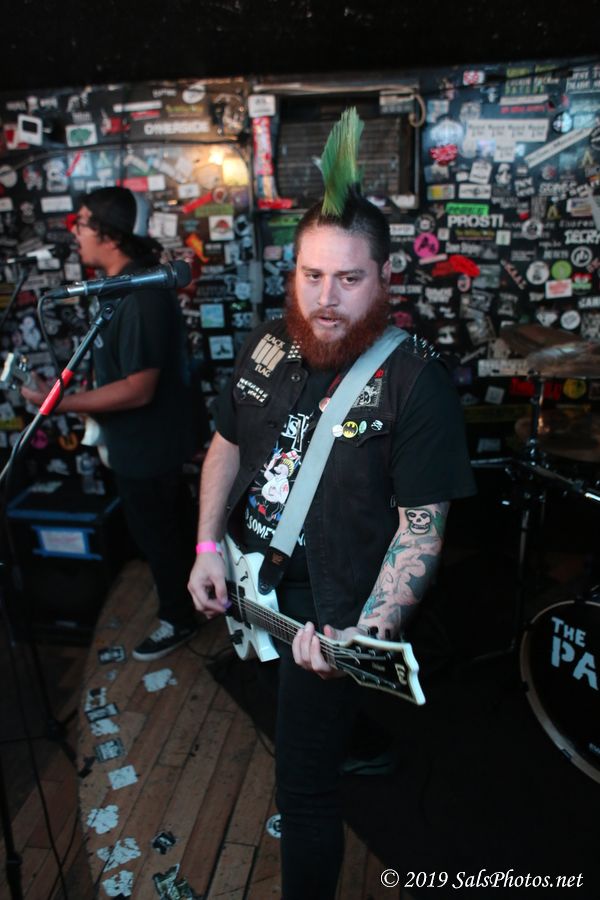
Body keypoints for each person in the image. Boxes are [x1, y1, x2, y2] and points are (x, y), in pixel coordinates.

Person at [187, 110, 475, 899]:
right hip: (252, 576)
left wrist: (364, 634)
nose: (326, 298)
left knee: (304, 792)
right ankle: (355, 733)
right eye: (311, 276)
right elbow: (227, 444)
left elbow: (421, 530)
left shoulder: (416, 383)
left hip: (332, 607)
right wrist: (208, 547)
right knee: (289, 712)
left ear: (385, 277)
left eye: (349, 279)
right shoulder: (266, 344)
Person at [22, 186, 199, 660]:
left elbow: (139, 388)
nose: (74, 233)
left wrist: (61, 403)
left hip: (150, 449)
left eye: (80, 223)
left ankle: (180, 619)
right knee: (158, 535)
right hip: (134, 446)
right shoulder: (118, 289)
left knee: (161, 537)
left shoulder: (140, 295)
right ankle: (185, 604)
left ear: (110, 233)